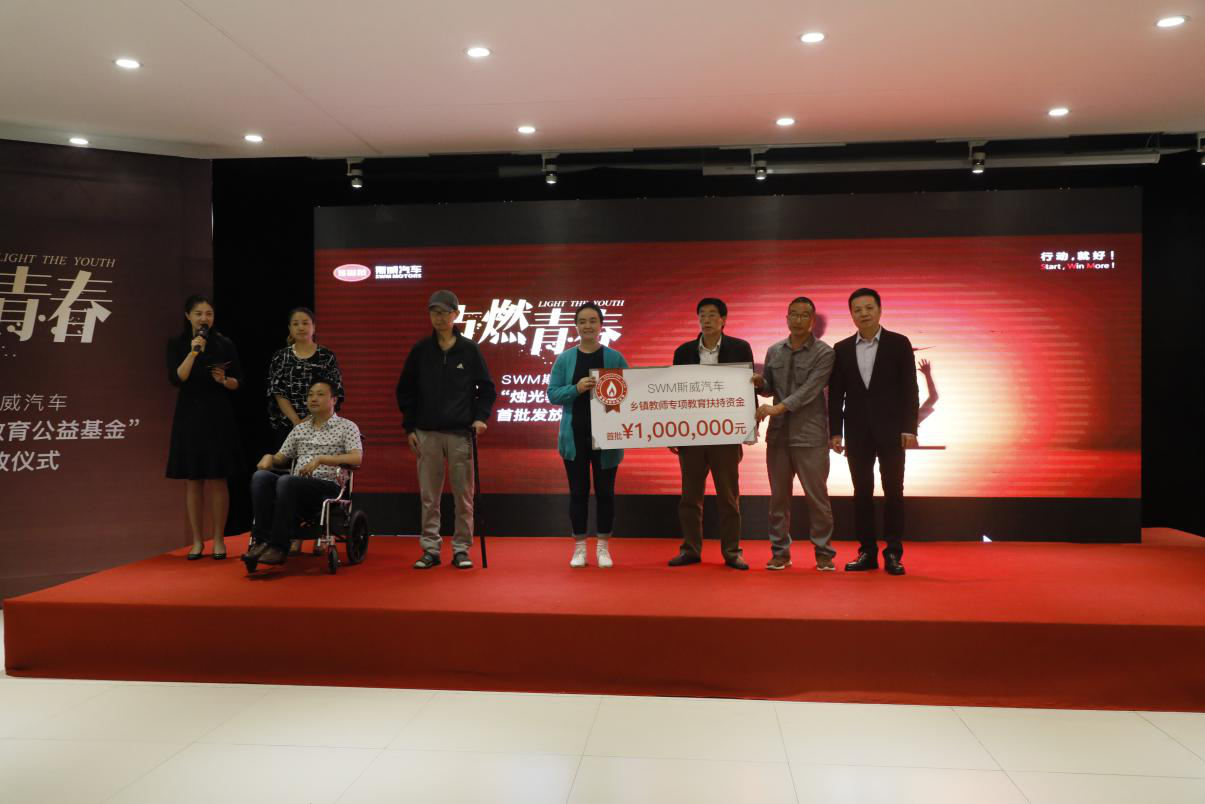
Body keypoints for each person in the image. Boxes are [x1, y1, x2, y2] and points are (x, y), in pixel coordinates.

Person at [395, 290, 497, 570]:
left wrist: (480, 417)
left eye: (444, 312)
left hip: (461, 433)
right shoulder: (420, 350)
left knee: (463, 496)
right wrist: (409, 428)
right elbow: (405, 391)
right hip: (426, 433)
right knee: (430, 497)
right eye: (434, 312)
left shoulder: (469, 349)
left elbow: (487, 389)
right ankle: (430, 549)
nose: (439, 318)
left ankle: (462, 549)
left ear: (455, 314)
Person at [828, 288, 919, 575]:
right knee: (861, 493)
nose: (864, 314)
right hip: (857, 432)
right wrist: (835, 431)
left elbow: (910, 389)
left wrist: (910, 428)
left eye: (869, 308)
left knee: (894, 492)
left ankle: (893, 553)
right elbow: (836, 395)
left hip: (893, 431)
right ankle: (867, 552)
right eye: (857, 309)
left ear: (880, 310)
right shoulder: (841, 348)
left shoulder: (899, 343)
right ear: (851, 314)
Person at [667, 298, 755, 570]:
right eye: (702, 315)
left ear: (723, 319)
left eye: (712, 314)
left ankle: (732, 552)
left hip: (726, 434)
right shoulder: (683, 352)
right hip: (692, 435)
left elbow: (748, 388)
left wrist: (749, 426)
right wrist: (672, 430)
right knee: (689, 497)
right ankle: (690, 549)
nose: (706, 320)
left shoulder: (740, 348)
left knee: (728, 497)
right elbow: (673, 393)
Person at [755, 296, 837, 571]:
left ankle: (824, 553)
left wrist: (777, 408)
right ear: (787, 318)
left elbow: (809, 391)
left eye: (804, 315)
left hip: (810, 436)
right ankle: (780, 553)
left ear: (812, 320)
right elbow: (769, 388)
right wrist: (759, 384)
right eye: (793, 314)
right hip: (778, 437)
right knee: (778, 500)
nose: (798, 320)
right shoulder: (774, 351)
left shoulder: (825, 353)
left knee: (817, 498)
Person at [244, 379, 363, 567]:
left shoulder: (347, 427)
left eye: (320, 394)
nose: (313, 398)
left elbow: (356, 458)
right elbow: (281, 458)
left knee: (287, 481)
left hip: (327, 486)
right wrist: (269, 457)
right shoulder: (300, 429)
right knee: (261, 477)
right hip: (294, 486)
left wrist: (321, 459)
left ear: (333, 400)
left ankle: (279, 547)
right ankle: (260, 543)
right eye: (310, 395)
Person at [547, 303, 630, 568]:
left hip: (608, 438)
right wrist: (576, 388)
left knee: (605, 493)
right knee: (578, 493)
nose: (588, 326)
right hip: (575, 437)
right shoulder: (564, 359)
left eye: (593, 321)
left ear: (601, 325)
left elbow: (631, 392)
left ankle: (603, 547)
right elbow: (552, 394)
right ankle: (580, 548)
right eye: (582, 321)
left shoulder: (614, 357)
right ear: (576, 326)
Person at [165, 294, 243, 560]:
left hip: (218, 416)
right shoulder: (177, 344)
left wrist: (225, 380)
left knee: (218, 477)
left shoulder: (224, 343)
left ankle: (219, 539)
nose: (204, 318)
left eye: (209, 313)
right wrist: (192, 352)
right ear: (188, 316)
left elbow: (239, 381)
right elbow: (177, 378)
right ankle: (197, 541)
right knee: (193, 478)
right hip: (189, 416)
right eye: (198, 313)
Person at [265, 306, 345, 554]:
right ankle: (290, 535)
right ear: (290, 328)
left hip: (321, 425)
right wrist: (297, 422)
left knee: (309, 480)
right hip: (288, 427)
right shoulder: (281, 357)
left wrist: (314, 421)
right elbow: (277, 391)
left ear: (314, 327)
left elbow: (335, 391)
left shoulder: (326, 356)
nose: (301, 327)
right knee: (288, 478)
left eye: (305, 323)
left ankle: (316, 531)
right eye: (296, 323)